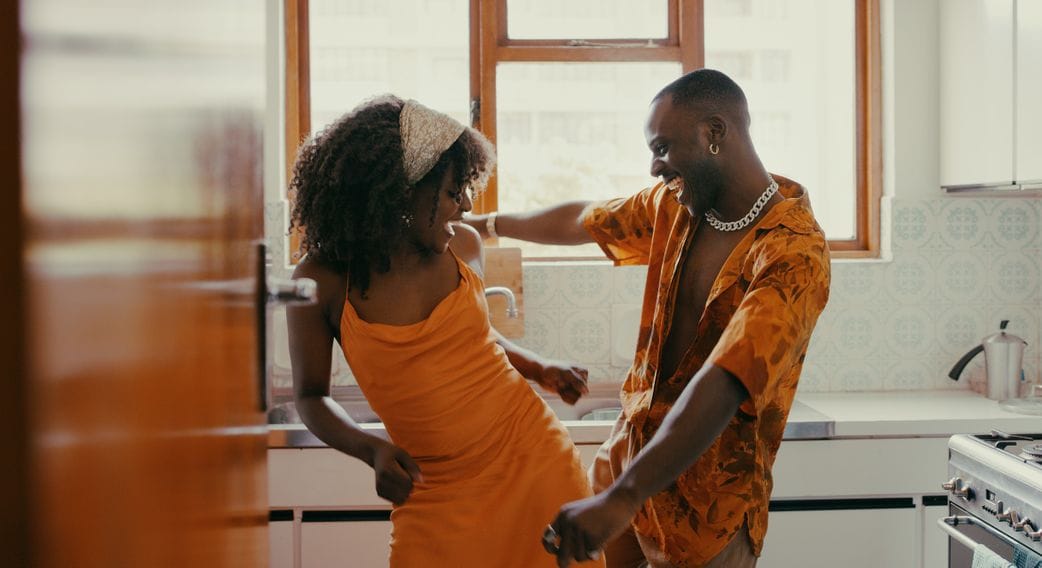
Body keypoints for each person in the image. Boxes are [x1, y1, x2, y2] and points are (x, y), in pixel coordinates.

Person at [465, 69, 831, 567]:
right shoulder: (675, 207)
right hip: (627, 461)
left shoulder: (793, 251)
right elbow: (584, 218)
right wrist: (483, 224)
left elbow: (725, 381)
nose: (654, 167)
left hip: (706, 508)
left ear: (714, 133)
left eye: (662, 147)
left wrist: (622, 498)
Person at [286, 94, 604, 567]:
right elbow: (310, 397)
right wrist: (370, 449)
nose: (468, 204)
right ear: (400, 192)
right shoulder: (324, 280)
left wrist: (539, 366)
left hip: (532, 456)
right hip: (434, 490)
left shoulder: (465, 246)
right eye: (455, 192)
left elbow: (471, 338)